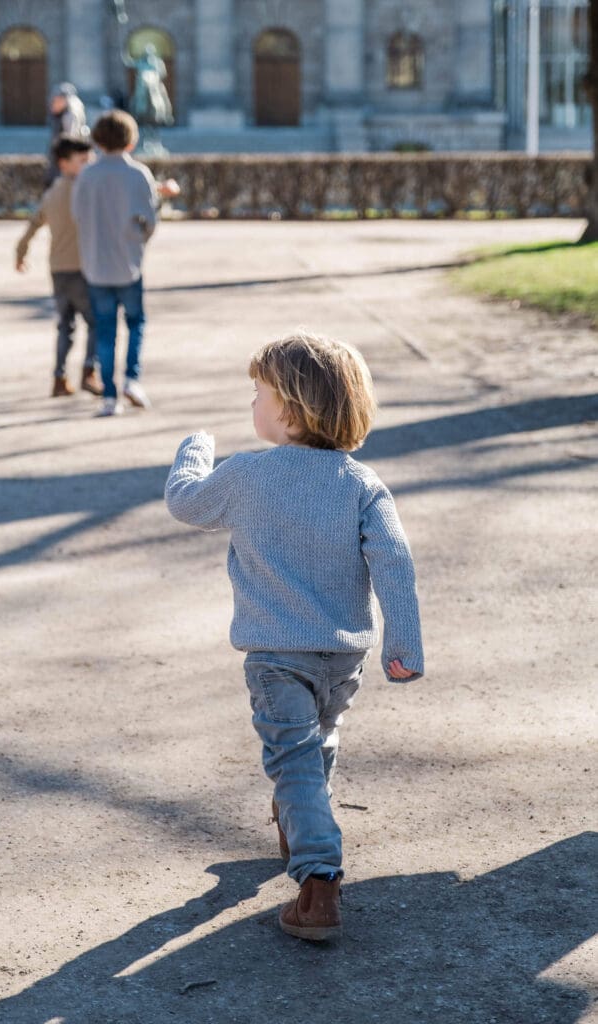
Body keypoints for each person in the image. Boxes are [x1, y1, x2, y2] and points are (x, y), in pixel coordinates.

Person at [165, 331, 424, 942]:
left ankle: (318, 883)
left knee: (294, 759)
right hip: (343, 655)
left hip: (278, 657)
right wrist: (403, 645)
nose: (251, 402)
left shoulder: (249, 474)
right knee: (319, 740)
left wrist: (193, 453)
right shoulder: (362, 483)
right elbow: (395, 562)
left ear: (288, 409)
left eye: (256, 392)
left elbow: (185, 503)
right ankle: (296, 821)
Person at [71, 109, 157, 417]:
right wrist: (137, 241)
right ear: (130, 140)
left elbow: (77, 215)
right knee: (136, 324)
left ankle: (109, 395)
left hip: (95, 264)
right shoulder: (138, 174)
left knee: (105, 331)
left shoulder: (87, 175)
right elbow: (149, 221)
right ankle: (132, 378)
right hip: (128, 262)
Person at [16, 135, 102, 398]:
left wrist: (21, 253)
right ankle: (90, 371)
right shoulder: (85, 191)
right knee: (97, 322)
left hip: (57, 269)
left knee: (65, 325)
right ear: (64, 163)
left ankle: (59, 376)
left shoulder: (51, 192)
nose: (90, 165)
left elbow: (33, 223)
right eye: (84, 160)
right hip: (83, 268)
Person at [45, 83, 90, 187]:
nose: (53, 103)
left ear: (64, 100)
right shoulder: (65, 113)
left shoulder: (69, 115)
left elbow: (69, 137)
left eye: (56, 100)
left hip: (65, 156)